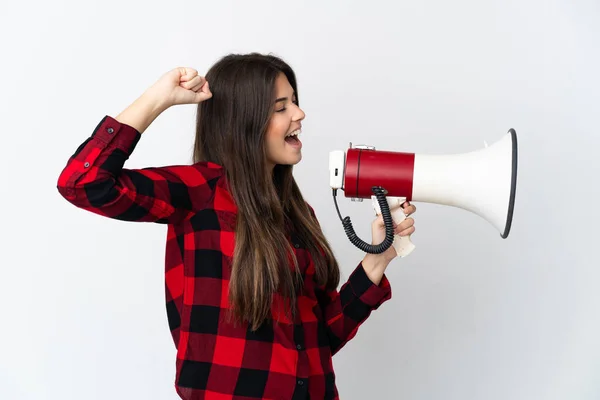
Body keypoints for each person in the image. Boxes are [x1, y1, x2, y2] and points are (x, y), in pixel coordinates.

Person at [56, 53, 416, 400]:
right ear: (242, 121)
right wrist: (158, 100)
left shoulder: (297, 212)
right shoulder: (200, 192)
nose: (300, 113)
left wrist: (377, 260)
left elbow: (320, 340)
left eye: (294, 101)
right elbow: (83, 184)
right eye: (281, 107)